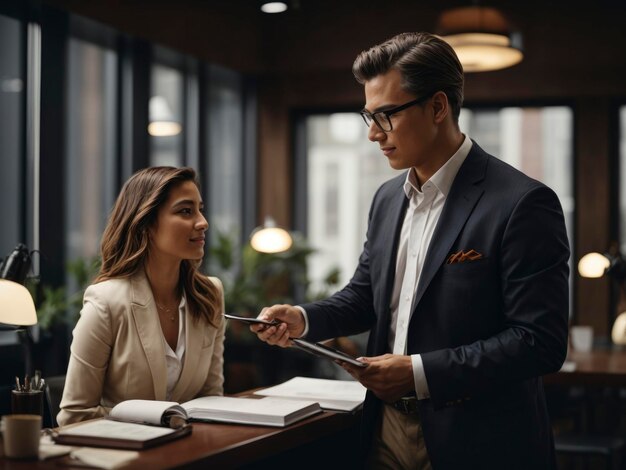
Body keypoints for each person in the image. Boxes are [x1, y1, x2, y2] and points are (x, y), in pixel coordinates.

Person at [252, 32, 570, 469]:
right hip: (382, 432)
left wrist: (419, 373)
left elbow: (540, 342)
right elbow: (366, 296)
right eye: (367, 115)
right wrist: (304, 318)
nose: (371, 134)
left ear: (438, 107)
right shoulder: (386, 198)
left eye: (385, 115)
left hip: (479, 442)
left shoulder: (522, 202)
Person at [58, 166, 225, 426]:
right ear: (146, 224)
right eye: (185, 211)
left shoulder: (209, 294)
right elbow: (74, 416)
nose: (203, 222)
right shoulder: (106, 301)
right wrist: (159, 420)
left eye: (200, 209)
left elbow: (211, 397)